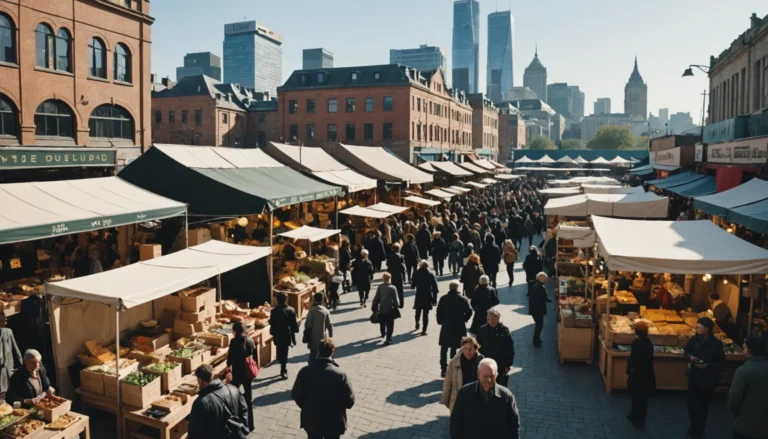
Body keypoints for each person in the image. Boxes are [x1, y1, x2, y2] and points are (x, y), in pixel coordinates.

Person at [291, 338, 355, 439]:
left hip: (312, 420)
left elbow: (296, 395)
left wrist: (307, 406)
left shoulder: (304, 371)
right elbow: (350, 401)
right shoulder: (340, 374)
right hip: (334, 422)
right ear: (332, 351)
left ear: (318, 350)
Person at [449, 358, 521, 439]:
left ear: (496, 375)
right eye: (485, 376)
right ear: (478, 375)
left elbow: (514, 426)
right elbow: (455, 423)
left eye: (492, 376)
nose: (489, 380)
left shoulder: (506, 396)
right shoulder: (464, 393)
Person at [683, 317, 725, 438]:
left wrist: (707, 366)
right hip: (694, 376)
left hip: (707, 378)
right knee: (691, 403)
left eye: (699, 327)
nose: (697, 329)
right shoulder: (693, 340)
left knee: (703, 405)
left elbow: (721, 363)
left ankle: (699, 428)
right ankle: (693, 424)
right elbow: (686, 351)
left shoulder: (717, 344)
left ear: (707, 329)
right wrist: (690, 357)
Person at [189, 364, 249, 439]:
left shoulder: (201, 403)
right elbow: (244, 410)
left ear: (200, 380)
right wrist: (243, 429)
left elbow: (194, 433)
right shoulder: (233, 389)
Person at [728, 336, 768, 439]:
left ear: (750, 350)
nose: (743, 350)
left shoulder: (743, 371)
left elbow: (734, 400)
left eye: (744, 347)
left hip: (746, 424)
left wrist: (733, 411)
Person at [226, 321, 258, 432]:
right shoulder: (250, 340)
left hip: (237, 374)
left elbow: (229, 360)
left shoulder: (233, 342)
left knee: (233, 398)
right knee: (248, 399)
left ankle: (237, 423)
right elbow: (255, 356)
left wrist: (228, 367)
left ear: (235, 331)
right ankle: (251, 424)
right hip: (248, 374)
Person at [436, 281, 473, 378]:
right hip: (459, 326)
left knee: (444, 347)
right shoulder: (463, 299)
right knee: (454, 347)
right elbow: (469, 311)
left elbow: (439, 311)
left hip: (447, 325)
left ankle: (443, 369)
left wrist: (440, 321)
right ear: (457, 288)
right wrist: (464, 319)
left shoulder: (443, 298)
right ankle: (452, 367)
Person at [441, 336, 485, 412]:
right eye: (465, 348)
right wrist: (446, 400)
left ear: (475, 348)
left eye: (470, 349)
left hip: (475, 402)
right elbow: (448, 382)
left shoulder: (482, 362)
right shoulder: (454, 362)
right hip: (459, 401)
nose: (467, 352)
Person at [626, 321, 655, 428]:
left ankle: (639, 418)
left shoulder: (639, 344)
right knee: (639, 397)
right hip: (645, 374)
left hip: (639, 374)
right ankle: (635, 415)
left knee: (639, 397)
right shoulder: (648, 344)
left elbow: (634, 359)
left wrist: (629, 368)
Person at [475, 307, 515, 387]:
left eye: (493, 319)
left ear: (498, 318)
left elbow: (510, 349)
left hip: (500, 364)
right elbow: (477, 347)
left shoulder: (505, 330)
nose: (491, 321)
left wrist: (508, 365)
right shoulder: (482, 330)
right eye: (489, 319)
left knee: (499, 386)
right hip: (486, 363)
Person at [269, 292, 299, 380]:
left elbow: (272, 322)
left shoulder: (274, 311)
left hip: (278, 334)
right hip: (287, 334)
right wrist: (294, 335)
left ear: (277, 300)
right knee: (284, 352)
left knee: (281, 351)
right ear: (286, 299)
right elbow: (294, 324)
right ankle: (282, 365)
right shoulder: (291, 310)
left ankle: (283, 370)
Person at [372, 272, 400, 345]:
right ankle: (388, 338)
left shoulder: (380, 287)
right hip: (390, 309)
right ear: (390, 279)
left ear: (383, 279)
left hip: (382, 309)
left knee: (382, 322)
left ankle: (383, 332)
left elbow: (376, 298)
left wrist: (374, 306)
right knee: (390, 325)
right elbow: (396, 299)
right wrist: (397, 305)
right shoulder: (393, 288)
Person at [305, 293, 333, 364]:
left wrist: (306, 334)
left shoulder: (311, 310)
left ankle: (311, 369)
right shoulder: (325, 311)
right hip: (323, 337)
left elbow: (308, 325)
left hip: (313, 337)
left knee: (313, 354)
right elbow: (329, 325)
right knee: (323, 354)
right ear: (322, 299)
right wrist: (330, 336)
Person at [412, 260, 439, 335]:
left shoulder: (416, 273)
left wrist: (415, 285)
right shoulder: (430, 274)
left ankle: (417, 321)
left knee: (418, 310)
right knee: (425, 313)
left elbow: (413, 285)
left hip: (419, 294)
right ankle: (424, 329)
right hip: (427, 294)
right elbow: (435, 288)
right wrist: (434, 299)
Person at [0, 311, 21, 400]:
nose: (5, 322)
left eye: (5, 320)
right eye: (2, 321)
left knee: (8, 387)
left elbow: (15, 347)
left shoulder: (8, 331)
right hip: (1, 366)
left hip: (8, 364)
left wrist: (21, 362)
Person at [528, 272, 551, 348]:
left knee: (539, 325)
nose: (546, 279)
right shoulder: (538, 286)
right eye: (544, 278)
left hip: (536, 309)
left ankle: (537, 339)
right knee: (539, 325)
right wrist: (549, 299)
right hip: (537, 309)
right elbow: (544, 297)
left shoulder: (538, 285)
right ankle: (536, 341)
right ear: (540, 278)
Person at [386, 243, 407, 309]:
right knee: (400, 290)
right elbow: (403, 268)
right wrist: (404, 277)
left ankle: (393, 303)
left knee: (392, 290)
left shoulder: (389, 256)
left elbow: (388, 265)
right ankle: (401, 303)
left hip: (392, 275)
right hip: (399, 275)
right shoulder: (401, 256)